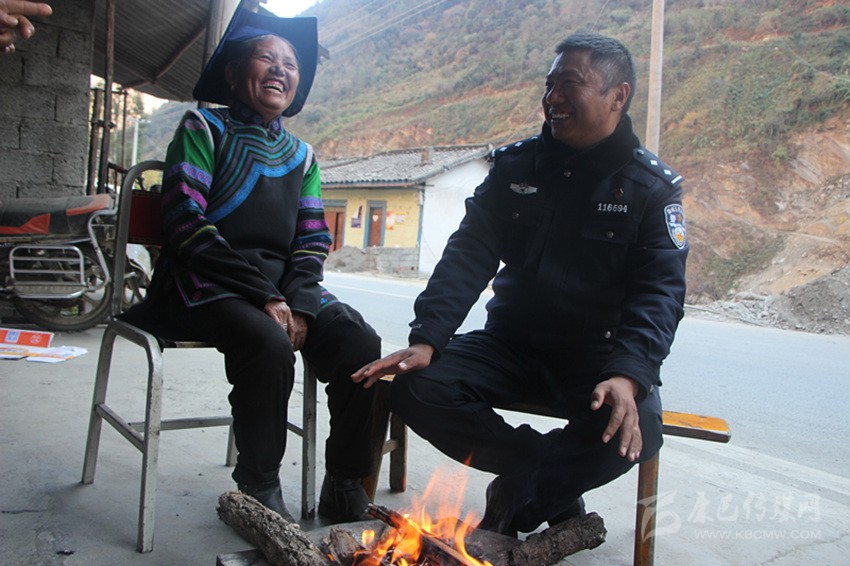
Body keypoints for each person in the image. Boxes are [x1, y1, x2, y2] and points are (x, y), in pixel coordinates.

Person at [353, 32, 688, 537]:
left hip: (596, 357)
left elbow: (660, 293)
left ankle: (520, 495)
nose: (553, 98)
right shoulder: (515, 167)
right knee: (419, 385)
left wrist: (628, 373)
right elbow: (469, 253)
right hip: (510, 345)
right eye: (549, 85)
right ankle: (537, 477)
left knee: (637, 423)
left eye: (569, 84)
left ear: (617, 96)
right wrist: (428, 338)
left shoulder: (650, 189)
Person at [122, 9, 380, 524]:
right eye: (267, 57)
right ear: (235, 73)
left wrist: (299, 302)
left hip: (281, 289)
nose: (281, 69)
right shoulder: (203, 127)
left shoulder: (303, 156)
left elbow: (312, 240)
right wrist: (266, 295)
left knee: (360, 342)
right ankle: (258, 486)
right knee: (267, 342)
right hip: (204, 279)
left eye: (291, 64)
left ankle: (345, 481)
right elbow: (185, 222)